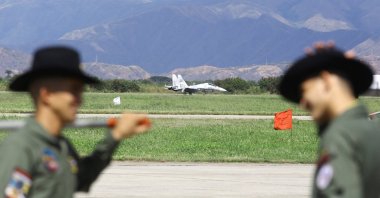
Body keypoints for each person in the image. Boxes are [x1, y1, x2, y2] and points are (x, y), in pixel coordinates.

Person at [0, 46, 151, 198]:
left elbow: (82, 179)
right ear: (46, 95)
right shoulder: (20, 148)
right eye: (73, 90)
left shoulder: (61, 146)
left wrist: (116, 136)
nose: (80, 99)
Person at [279, 43, 380, 197]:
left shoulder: (340, 136)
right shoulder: (371, 130)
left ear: (326, 81)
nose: (303, 103)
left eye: (304, 91)